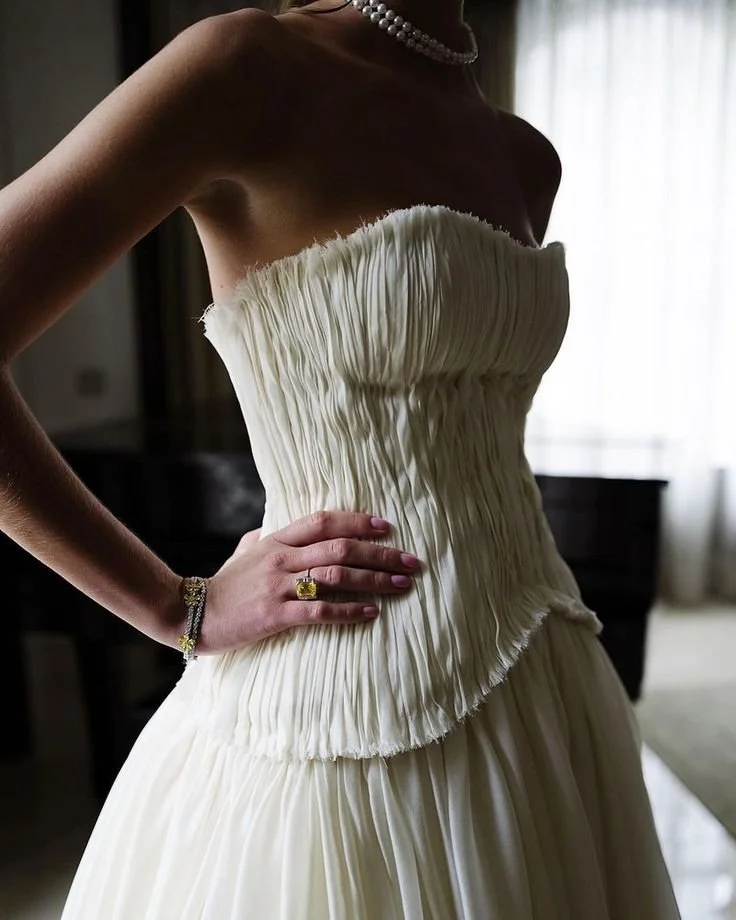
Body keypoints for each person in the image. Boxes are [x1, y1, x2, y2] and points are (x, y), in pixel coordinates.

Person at [0, 1, 682, 917]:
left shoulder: (527, 155)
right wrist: (175, 605)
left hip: (546, 676)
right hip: (343, 699)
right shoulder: (244, 67)